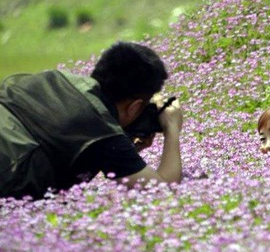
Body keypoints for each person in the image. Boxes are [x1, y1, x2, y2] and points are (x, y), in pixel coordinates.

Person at [0, 41, 183, 200]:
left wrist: (131, 150)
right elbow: (163, 191)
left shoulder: (53, 78)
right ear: (134, 107)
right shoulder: (102, 132)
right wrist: (172, 127)